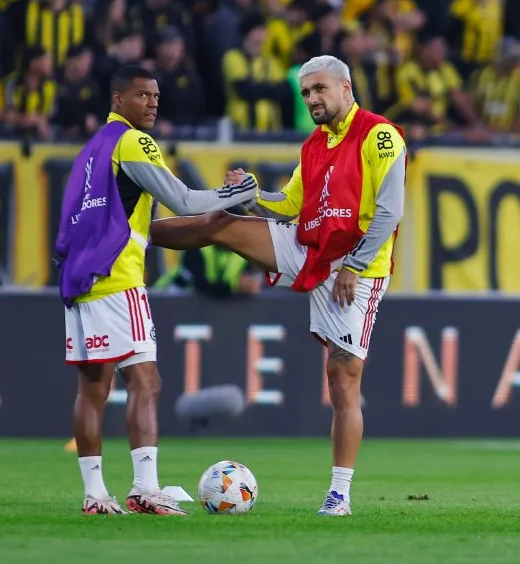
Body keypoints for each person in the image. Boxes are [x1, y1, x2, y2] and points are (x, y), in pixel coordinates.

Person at [148, 55, 406, 517]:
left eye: (320, 90)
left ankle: (339, 494)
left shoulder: (380, 135)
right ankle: (130, 234)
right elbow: (287, 206)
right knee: (222, 223)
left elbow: (390, 211)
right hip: (309, 247)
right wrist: (251, 193)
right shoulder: (314, 146)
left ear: (347, 88)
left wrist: (354, 264)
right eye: (306, 93)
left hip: (357, 269)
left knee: (342, 378)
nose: (312, 100)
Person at [55, 64, 259, 515]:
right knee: (146, 382)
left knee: (92, 389)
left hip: (81, 278)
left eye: (156, 97)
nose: (152, 103)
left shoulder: (93, 150)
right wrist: (236, 193)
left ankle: (95, 495)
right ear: (117, 99)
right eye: (142, 95)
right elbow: (183, 200)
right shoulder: (133, 141)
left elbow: (123, 219)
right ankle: (145, 487)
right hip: (119, 278)